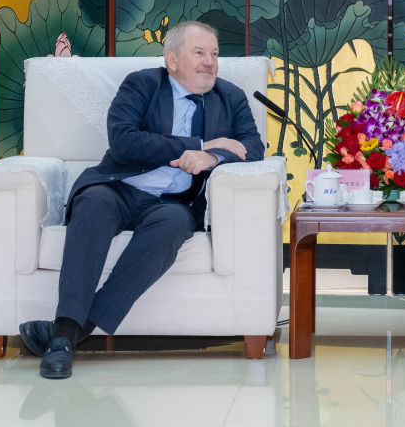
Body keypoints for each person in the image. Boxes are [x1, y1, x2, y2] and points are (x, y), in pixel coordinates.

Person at [20, 21, 265, 379]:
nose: (209, 62)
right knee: (93, 204)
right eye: (199, 53)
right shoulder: (142, 84)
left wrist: (212, 157)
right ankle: (70, 327)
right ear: (172, 59)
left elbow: (253, 148)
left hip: (175, 204)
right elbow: (124, 141)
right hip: (119, 187)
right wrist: (197, 145)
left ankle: (67, 335)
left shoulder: (231, 97)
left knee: (173, 225)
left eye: (214, 54)